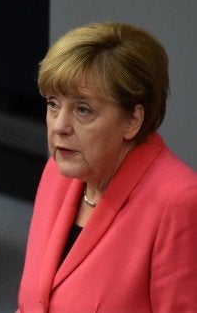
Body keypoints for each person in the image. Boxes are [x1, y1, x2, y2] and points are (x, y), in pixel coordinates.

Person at [17, 21, 197, 312]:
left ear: (132, 121)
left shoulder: (178, 203)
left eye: (83, 109)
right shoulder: (58, 171)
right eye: (53, 104)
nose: (59, 126)